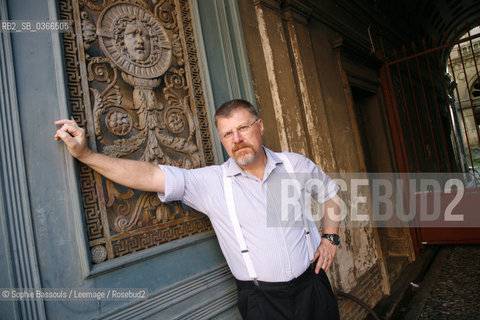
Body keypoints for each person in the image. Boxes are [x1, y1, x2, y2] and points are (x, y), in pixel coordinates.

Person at [55, 99, 341, 319]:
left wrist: (330, 238)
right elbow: (150, 176)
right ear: (221, 139)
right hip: (262, 301)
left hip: (312, 287)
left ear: (260, 126)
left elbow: (331, 195)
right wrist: (86, 154)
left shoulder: (294, 165)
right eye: (228, 134)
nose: (237, 139)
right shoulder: (212, 182)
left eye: (243, 128)